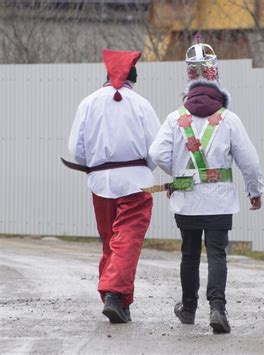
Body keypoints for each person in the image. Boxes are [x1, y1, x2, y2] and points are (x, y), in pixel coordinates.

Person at [148, 35, 264, 334]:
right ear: (216, 78)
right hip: (220, 201)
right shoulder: (228, 119)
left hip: (187, 201)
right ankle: (217, 308)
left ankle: (188, 308)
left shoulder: (176, 118)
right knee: (217, 254)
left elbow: (156, 153)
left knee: (189, 254)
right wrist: (255, 190)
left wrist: (178, 174)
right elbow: (249, 161)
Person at [65, 49, 161, 323]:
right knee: (127, 240)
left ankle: (120, 300)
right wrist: (145, 169)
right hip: (135, 182)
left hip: (100, 182)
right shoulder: (142, 104)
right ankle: (113, 293)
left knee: (112, 242)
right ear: (134, 77)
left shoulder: (88, 103)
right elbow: (155, 149)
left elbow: (76, 149)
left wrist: (95, 165)